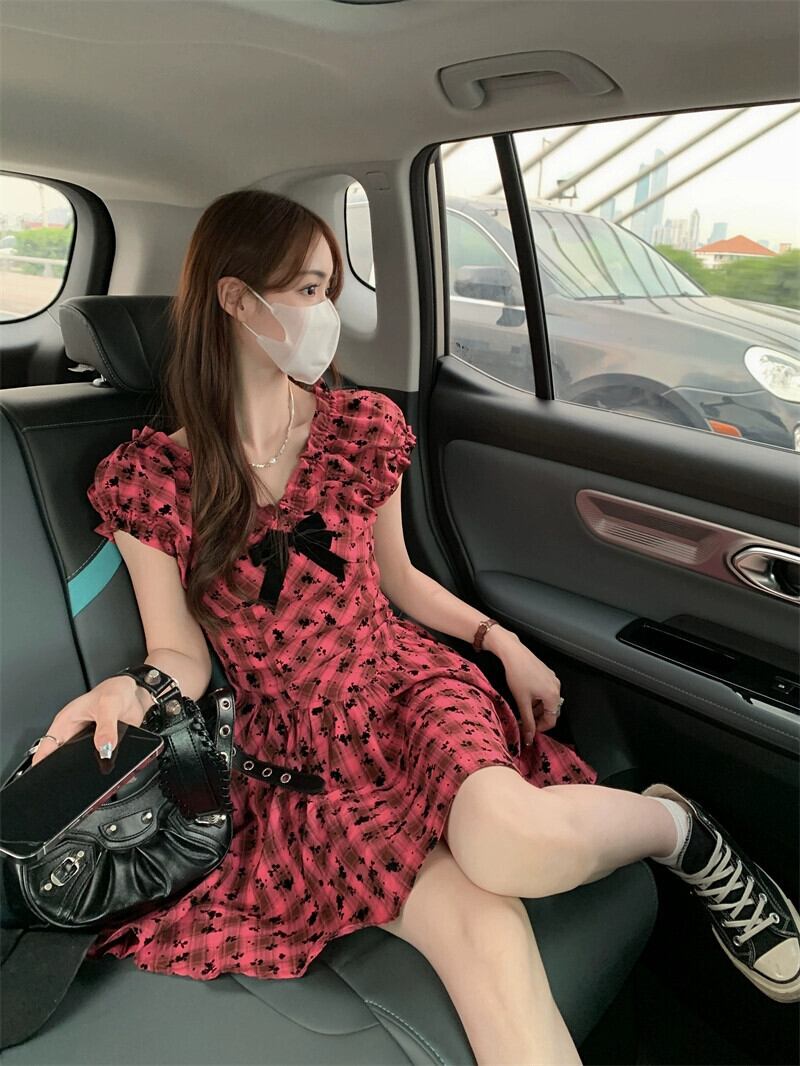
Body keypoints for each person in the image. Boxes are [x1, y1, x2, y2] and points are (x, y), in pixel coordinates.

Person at [32, 189, 799, 1065]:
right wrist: (131, 690)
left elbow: (400, 583)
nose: (328, 314)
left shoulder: (361, 429)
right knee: (485, 935)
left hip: (402, 688)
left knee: (509, 843)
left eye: (327, 290)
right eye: (310, 290)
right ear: (237, 299)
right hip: (296, 755)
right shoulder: (151, 480)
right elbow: (179, 651)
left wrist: (500, 641)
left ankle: (680, 831)